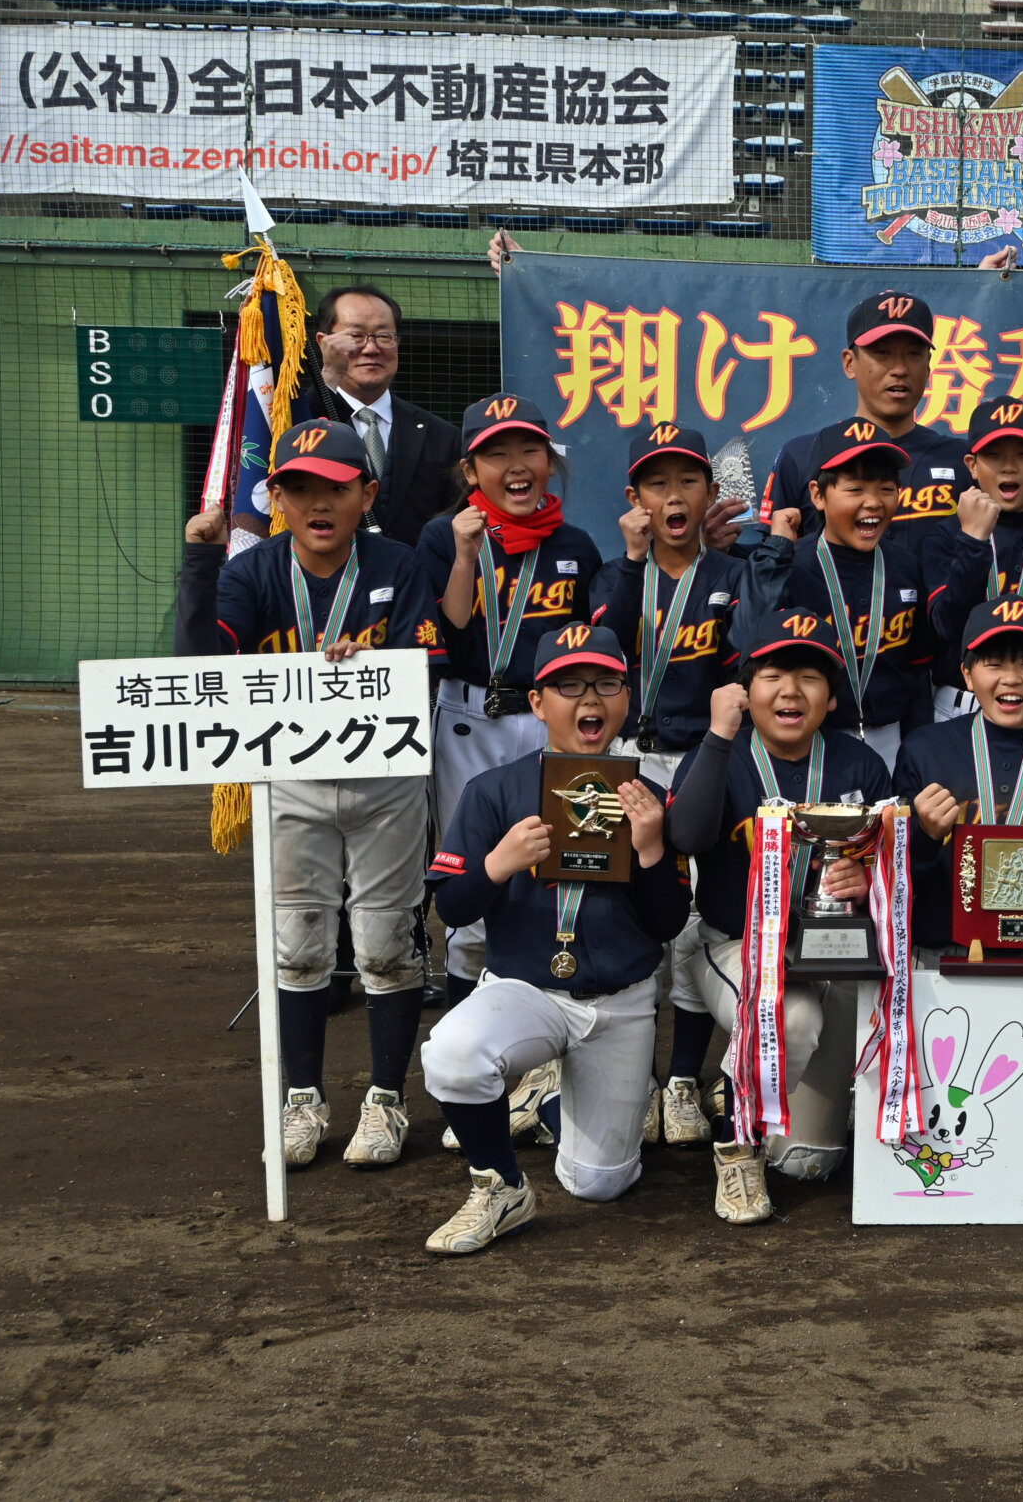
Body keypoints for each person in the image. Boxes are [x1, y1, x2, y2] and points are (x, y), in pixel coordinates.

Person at [175, 419, 447, 1168]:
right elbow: (201, 665)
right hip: (289, 783)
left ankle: (385, 1099)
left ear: (367, 492)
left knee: (387, 946)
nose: (318, 503)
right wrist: (202, 560)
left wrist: (378, 659)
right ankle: (302, 1098)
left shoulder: (398, 561)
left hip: (387, 782)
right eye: (299, 488)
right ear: (277, 499)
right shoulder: (255, 569)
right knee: (296, 946)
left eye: (335, 486)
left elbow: (432, 660)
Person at [420, 624, 689, 1254]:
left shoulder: (649, 793)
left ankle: (550, 1102)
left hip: (620, 1003)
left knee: (599, 1183)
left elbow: (669, 924)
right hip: (526, 989)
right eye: (568, 686)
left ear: (626, 699)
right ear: (538, 703)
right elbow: (453, 908)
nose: (588, 699)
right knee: (453, 1054)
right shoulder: (494, 790)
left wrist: (651, 851)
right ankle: (501, 1184)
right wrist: (498, 864)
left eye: (605, 684)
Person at [664, 608, 894, 1223]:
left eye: (810, 676)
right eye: (772, 674)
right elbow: (685, 834)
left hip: (833, 954)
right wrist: (717, 734)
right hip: (731, 945)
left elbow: (889, 874)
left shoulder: (858, 765)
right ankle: (736, 1146)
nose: (791, 690)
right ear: (747, 689)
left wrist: (866, 875)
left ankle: (742, 1076)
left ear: (831, 695)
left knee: (806, 1164)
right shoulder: (724, 753)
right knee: (789, 1017)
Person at [418, 395, 604, 1026]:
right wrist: (467, 553)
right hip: (469, 719)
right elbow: (451, 629)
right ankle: (463, 1040)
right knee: (473, 866)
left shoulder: (575, 545)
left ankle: (546, 1030)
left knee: (553, 867)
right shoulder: (443, 535)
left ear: (550, 464)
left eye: (529, 449)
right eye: (496, 454)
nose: (516, 465)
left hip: (546, 724)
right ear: (472, 473)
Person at [587, 422, 744, 1149]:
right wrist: (630, 559)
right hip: (625, 756)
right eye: (656, 483)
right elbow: (603, 648)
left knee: (692, 923)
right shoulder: (620, 572)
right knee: (624, 914)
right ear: (633, 497)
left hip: (700, 760)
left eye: (687, 481)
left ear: (711, 493)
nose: (672, 496)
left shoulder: (730, 577)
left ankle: (682, 1076)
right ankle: (633, 1077)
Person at [893, 595, 1023, 952]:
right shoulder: (923, 750)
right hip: (944, 950)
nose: (1011, 679)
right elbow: (895, 878)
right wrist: (925, 835)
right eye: (993, 664)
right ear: (967, 675)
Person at [734, 421, 936, 768]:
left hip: (891, 738)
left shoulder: (904, 565)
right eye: (855, 489)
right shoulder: (791, 565)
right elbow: (744, 637)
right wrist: (777, 549)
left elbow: (916, 669)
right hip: (810, 742)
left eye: (887, 488)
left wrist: (921, 748)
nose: (873, 502)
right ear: (817, 495)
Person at [756, 292, 967, 565]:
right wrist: (717, 550)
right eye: (883, 353)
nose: (900, 369)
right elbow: (768, 562)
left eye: (913, 354)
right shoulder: (801, 455)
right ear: (849, 363)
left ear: (928, 367)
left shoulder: (962, 459)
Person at [922, 396, 1023, 724]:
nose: (1008, 467)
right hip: (960, 706)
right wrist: (973, 542)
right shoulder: (944, 536)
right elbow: (948, 626)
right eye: (993, 456)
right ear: (971, 465)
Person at [300, 284, 464, 544]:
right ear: (324, 342)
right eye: (355, 336)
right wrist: (329, 375)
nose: (371, 348)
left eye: (384, 336)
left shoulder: (442, 436)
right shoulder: (306, 419)